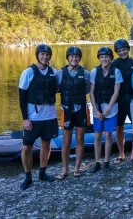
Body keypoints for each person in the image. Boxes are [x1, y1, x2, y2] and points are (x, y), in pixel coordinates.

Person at [19, 44, 59, 190]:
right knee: (26, 147)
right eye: (42, 54)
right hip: (33, 117)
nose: (45, 57)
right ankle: (28, 176)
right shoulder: (28, 73)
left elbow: (63, 87)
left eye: (47, 54)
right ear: (37, 55)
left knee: (46, 144)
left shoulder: (54, 72)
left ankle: (42, 172)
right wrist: (25, 118)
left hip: (49, 116)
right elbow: (22, 97)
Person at [55, 46, 90, 179]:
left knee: (80, 139)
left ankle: (77, 168)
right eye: (71, 57)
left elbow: (87, 89)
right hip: (66, 109)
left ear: (79, 58)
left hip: (81, 109)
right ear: (68, 58)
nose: (74, 59)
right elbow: (57, 88)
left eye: (76, 57)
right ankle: (65, 169)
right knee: (66, 141)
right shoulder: (60, 73)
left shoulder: (85, 73)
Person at [89, 47, 123, 173]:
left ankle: (107, 161)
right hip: (98, 107)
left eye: (107, 56)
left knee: (108, 134)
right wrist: (95, 110)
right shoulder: (94, 72)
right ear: (99, 58)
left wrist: (108, 108)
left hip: (111, 108)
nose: (104, 59)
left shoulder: (116, 71)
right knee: (97, 135)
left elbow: (116, 91)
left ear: (110, 58)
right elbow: (91, 92)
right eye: (102, 57)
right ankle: (97, 161)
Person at [111, 39, 133, 164]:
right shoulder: (114, 64)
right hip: (119, 101)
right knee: (119, 127)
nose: (122, 52)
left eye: (124, 50)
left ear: (128, 49)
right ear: (117, 52)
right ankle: (121, 154)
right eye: (119, 51)